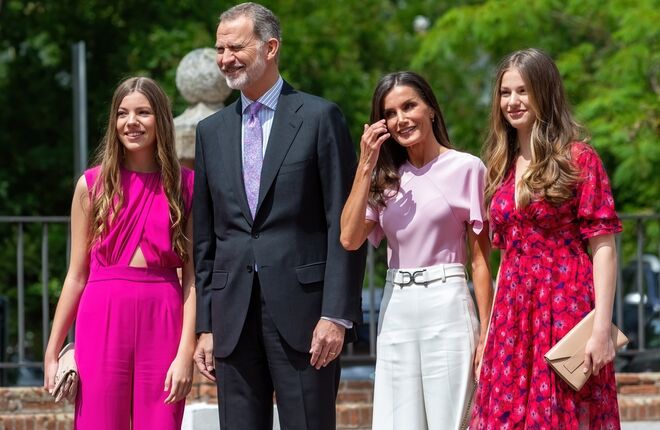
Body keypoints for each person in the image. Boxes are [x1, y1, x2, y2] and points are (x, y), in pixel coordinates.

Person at [192, 3, 366, 429]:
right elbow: (206, 238)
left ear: (270, 48)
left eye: (236, 47)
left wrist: (335, 315)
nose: (225, 58)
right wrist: (206, 325)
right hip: (232, 319)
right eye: (220, 48)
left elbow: (344, 225)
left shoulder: (320, 118)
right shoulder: (210, 132)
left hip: (307, 319)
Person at [470, 48, 623, 429]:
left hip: (564, 305)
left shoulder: (578, 159)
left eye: (523, 91)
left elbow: (603, 247)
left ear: (544, 92)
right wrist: (489, 333)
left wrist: (601, 328)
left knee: (562, 414)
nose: (512, 101)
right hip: (512, 314)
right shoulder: (501, 166)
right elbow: (504, 257)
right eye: (505, 92)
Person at [340, 71, 493, 430]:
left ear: (431, 110)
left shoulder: (468, 168)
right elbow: (349, 238)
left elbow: (480, 261)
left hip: (448, 302)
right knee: (396, 422)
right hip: (397, 306)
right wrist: (365, 165)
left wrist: (488, 332)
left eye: (409, 106)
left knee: (451, 420)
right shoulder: (384, 178)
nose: (401, 119)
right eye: (390, 113)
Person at [43, 77, 196, 430]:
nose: (132, 122)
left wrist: (185, 353)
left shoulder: (186, 186)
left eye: (143, 112)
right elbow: (76, 275)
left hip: (164, 318)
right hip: (101, 316)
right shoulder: (91, 185)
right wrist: (52, 350)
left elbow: (192, 279)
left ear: (161, 119)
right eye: (123, 113)